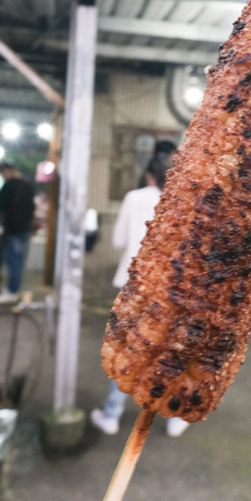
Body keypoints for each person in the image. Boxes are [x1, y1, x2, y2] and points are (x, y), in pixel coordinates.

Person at [90, 155, 190, 438]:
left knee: (127, 350)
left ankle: (112, 412)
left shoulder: (134, 198)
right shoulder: (185, 200)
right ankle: (175, 414)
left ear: (148, 174)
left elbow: (120, 240)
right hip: (171, 289)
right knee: (172, 352)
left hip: (133, 283)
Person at [0, 162, 36, 304]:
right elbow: (32, 208)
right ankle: (13, 289)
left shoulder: (9, 185)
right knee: (18, 262)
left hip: (13, 230)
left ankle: (12, 291)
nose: (2, 176)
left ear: (6, 171)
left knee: (13, 262)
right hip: (25, 229)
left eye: (2, 173)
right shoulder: (28, 186)